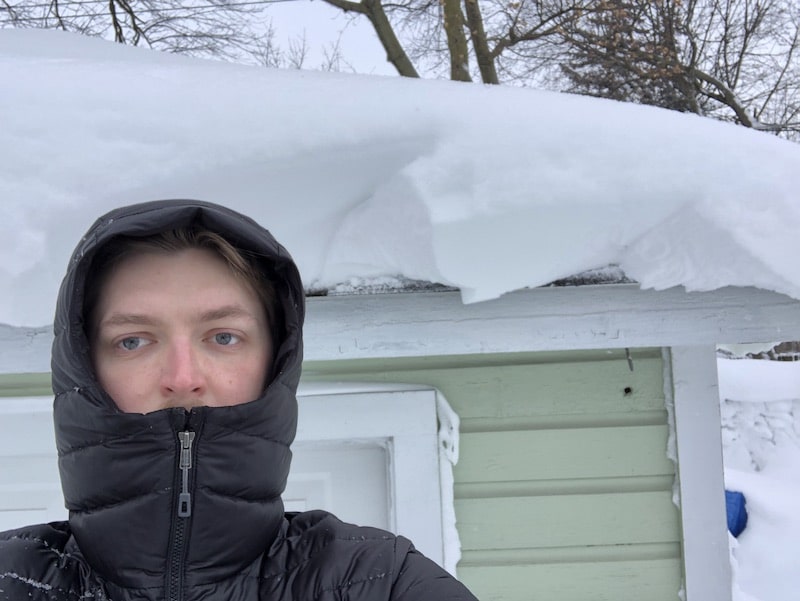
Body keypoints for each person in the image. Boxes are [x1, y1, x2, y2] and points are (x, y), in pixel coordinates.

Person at [0, 200, 478, 601]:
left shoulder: (380, 582)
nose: (182, 378)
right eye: (133, 341)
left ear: (276, 362)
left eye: (223, 337)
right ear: (84, 367)